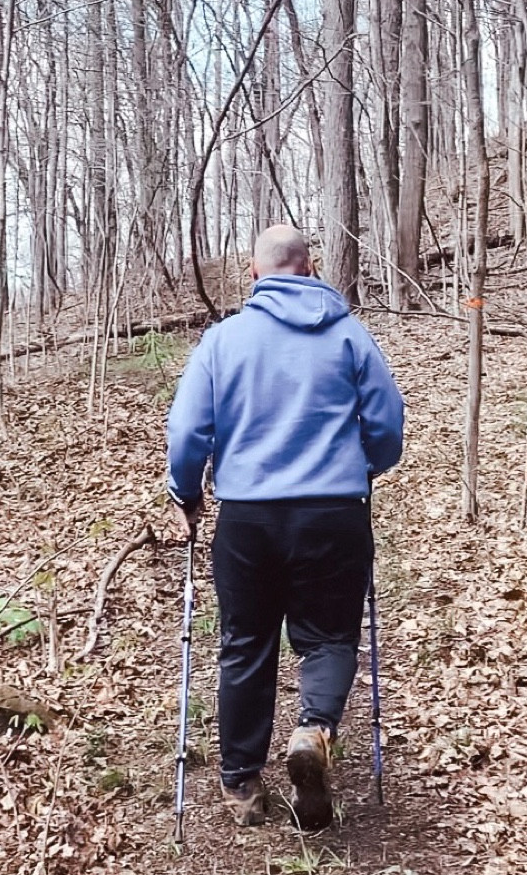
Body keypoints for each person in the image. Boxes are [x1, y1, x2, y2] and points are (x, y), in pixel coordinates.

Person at [166, 224, 404, 830]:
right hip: (333, 512)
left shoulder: (223, 341)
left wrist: (187, 492)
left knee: (246, 643)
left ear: (255, 273)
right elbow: (387, 422)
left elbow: (189, 429)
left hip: (249, 516)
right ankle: (314, 728)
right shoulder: (349, 335)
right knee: (328, 637)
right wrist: (365, 464)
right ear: (310, 266)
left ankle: (242, 784)